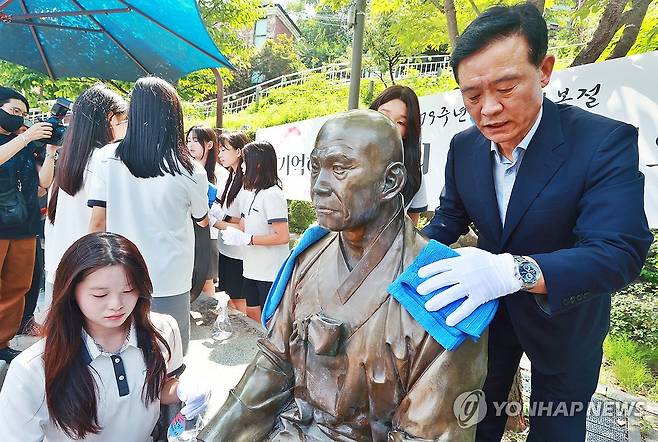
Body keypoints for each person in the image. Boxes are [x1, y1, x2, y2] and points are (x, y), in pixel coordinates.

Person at [418, 4, 653, 441]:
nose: (488, 109)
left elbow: (619, 252)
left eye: (506, 87)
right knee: (475, 419)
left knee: (557, 428)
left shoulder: (602, 141)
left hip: (565, 319)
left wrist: (510, 271)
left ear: (544, 70)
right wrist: (400, 256)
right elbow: (449, 217)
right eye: (471, 96)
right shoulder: (465, 147)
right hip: (485, 317)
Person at [201, 110, 487, 441]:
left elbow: (427, 434)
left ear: (390, 182)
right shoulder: (309, 256)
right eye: (315, 168)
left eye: (339, 169)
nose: (320, 186)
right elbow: (273, 366)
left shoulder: (443, 291)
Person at [0, 232, 210, 441]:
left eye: (129, 290)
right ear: (71, 291)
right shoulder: (32, 369)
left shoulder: (162, 330)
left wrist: (182, 390)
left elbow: (158, 388)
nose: (116, 304)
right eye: (100, 294)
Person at [88, 77, 209, 354]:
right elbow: (202, 218)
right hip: (171, 276)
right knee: (169, 353)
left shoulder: (107, 158)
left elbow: (97, 222)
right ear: (174, 116)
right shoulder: (190, 169)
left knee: (121, 350)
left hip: (120, 273)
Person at [44, 84, 128, 308]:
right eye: (123, 120)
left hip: (58, 264)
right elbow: (99, 222)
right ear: (111, 118)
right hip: (86, 267)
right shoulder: (104, 159)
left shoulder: (68, 159)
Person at [0, 87, 56, 362]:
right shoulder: (19, 142)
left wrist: (51, 153)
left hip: (25, 228)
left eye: (23, 113)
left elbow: (43, 186)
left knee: (16, 288)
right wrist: (27, 138)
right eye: (14, 111)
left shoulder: (24, 144)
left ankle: (2, 341)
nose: (19, 118)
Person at [221, 141, 290, 323]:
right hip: (251, 269)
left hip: (270, 272)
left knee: (270, 320)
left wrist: (249, 239)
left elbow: (282, 236)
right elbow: (243, 226)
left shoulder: (273, 194)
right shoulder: (251, 193)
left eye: (245, 162)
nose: (242, 166)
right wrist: (221, 225)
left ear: (258, 165)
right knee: (252, 316)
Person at [370, 85, 427, 225]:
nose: (389, 125)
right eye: (383, 114)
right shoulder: (345, 160)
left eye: (400, 122)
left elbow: (411, 227)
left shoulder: (413, 175)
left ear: (407, 132)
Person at [210, 132, 250, 315]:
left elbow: (243, 223)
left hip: (238, 252)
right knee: (230, 296)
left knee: (239, 300)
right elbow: (232, 216)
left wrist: (217, 220)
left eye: (225, 150)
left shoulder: (247, 180)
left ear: (239, 152)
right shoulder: (231, 176)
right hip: (226, 248)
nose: (220, 155)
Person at [186, 125, 219, 300]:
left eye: (196, 140)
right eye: (188, 140)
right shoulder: (185, 169)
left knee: (206, 281)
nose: (190, 145)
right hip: (189, 231)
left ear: (209, 145)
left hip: (209, 233)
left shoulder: (219, 173)